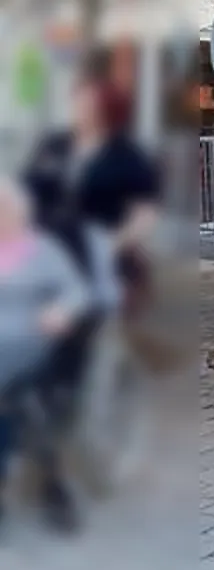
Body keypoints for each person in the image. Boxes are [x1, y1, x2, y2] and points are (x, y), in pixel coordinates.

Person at [22, 54, 162, 316]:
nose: (77, 109)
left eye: (86, 104)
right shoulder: (54, 145)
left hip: (103, 257)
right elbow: (27, 193)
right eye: (76, 102)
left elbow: (144, 216)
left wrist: (109, 247)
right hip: (48, 253)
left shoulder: (127, 156)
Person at [0, 177, 92, 532]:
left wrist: (61, 311)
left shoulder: (42, 250)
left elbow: (77, 291)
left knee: (21, 404)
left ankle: (53, 489)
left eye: (8, 210)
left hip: (32, 345)